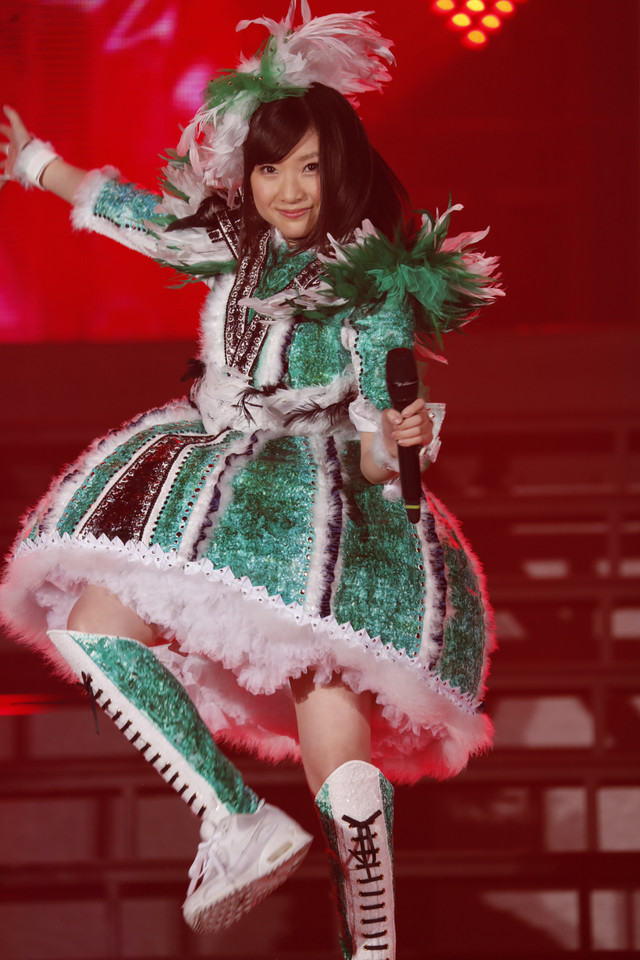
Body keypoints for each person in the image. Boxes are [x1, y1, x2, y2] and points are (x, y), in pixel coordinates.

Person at [0, 5, 502, 957]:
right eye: (271, 169)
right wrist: (36, 164)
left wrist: (398, 437)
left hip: (322, 516)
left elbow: (379, 444)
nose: (288, 189)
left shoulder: (371, 287)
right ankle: (235, 820)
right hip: (219, 482)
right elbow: (145, 222)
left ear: (339, 168)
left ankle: (369, 943)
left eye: (308, 167)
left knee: (331, 730)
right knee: (97, 630)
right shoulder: (235, 242)